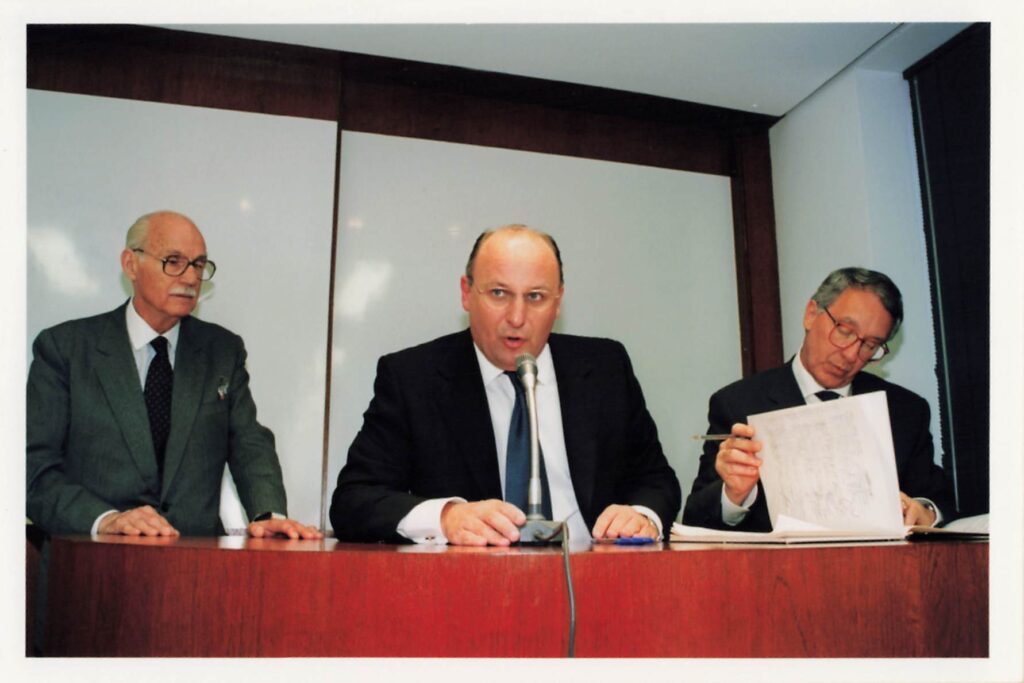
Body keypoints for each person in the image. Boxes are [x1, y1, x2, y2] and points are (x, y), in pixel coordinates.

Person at [330, 224, 680, 545]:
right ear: (466, 293)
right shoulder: (414, 378)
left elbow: (655, 479)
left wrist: (640, 515)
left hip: (595, 578)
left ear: (558, 302)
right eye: (499, 293)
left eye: (535, 296)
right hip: (473, 582)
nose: (516, 317)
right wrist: (447, 517)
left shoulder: (605, 368)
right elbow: (353, 500)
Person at [27, 210, 321, 540]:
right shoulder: (65, 348)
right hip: (93, 559)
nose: (191, 277)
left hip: (194, 559)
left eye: (198, 264)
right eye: (174, 261)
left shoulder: (222, 350)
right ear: (131, 264)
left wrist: (267, 514)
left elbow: (249, 443)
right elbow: (33, 469)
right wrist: (106, 520)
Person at [683, 267, 953, 532]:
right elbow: (695, 518)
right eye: (845, 331)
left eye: (870, 345)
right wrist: (734, 495)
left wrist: (925, 512)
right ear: (811, 314)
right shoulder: (738, 403)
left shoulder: (905, 410)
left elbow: (940, 502)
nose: (851, 355)